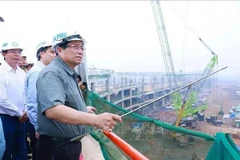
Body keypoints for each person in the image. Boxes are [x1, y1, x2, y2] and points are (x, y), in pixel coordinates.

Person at [36, 31, 122, 160]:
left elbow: (64, 102)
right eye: (75, 47)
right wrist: (96, 120)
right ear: (59, 50)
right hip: (57, 148)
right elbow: (53, 110)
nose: (80, 51)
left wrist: (82, 110)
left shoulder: (68, 73)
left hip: (68, 145)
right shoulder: (52, 74)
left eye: (82, 47)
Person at [25, 41, 56, 160]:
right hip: (40, 126)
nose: (54, 55)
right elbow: (32, 102)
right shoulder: (37, 73)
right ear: (41, 54)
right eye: (52, 52)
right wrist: (38, 127)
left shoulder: (43, 71)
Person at [0, 41, 28, 160]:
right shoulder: (1, 73)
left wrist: (25, 112)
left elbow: (26, 95)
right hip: (5, 118)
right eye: (13, 52)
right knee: (5, 149)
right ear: (3, 54)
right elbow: (1, 99)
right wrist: (19, 112)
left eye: (19, 52)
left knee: (21, 149)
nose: (17, 55)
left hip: (22, 118)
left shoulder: (22, 73)